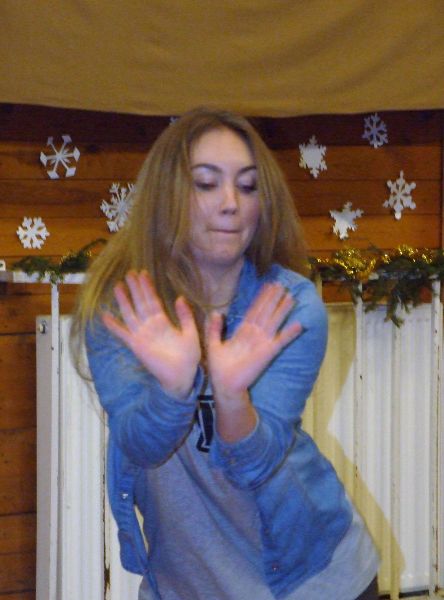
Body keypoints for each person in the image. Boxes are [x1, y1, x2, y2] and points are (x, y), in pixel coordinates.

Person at [72, 107, 379, 599]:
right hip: (186, 584)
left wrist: (233, 397)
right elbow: (141, 445)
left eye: (248, 186)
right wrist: (175, 390)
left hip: (311, 580)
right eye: (206, 183)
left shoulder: (290, 305)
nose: (231, 203)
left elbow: (255, 464)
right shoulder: (120, 305)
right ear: (167, 194)